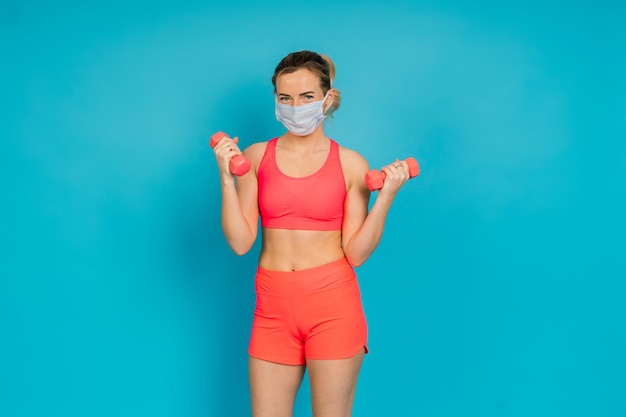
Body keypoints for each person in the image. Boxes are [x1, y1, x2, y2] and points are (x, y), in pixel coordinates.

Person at [212, 50, 411, 417]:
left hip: (332, 306)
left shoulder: (351, 165)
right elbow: (241, 243)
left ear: (327, 98)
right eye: (285, 98)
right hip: (271, 307)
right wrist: (226, 176)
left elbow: (357, 254)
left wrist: (386, 199)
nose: (295, 106)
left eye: (306, 97)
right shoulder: (255, 157)